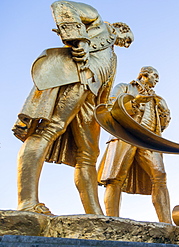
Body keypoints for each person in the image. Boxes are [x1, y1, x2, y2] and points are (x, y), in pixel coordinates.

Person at [12, 0, 133, 215]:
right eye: (128, 39)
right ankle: (27, 203)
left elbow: (105, 92)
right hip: (76, 76)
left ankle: (95, 215)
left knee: (89, 153)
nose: (126, 43)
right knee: (49, 129)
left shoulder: (112, 57)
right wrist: (79, 40)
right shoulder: (96, 20)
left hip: (92, 96)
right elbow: (63, 6)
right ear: (121, 28)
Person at [97, 66, 172, 224]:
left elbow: (163, 125)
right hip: (125, 135)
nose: (157, 80)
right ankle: (112, 221)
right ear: (144, 75)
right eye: (155, 75)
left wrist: (164, 112)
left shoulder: (157, 98)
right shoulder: (124, 87)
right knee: (115, 178)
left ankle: (167, 224)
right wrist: (134, 103)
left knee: (160, 177)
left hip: (149, 140)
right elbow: (110, 107)